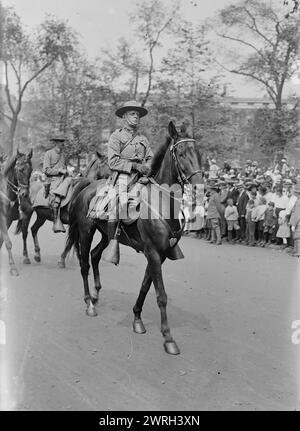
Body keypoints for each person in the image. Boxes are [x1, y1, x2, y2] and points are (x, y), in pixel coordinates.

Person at [105, 100, 153, 262]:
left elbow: (150, 158)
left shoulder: (143, 139)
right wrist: (134, 165)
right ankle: (113, 241)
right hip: (123, 177)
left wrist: (147, 166)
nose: (136, 117)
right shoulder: (116, 136)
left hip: (142, 177)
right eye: (133, 114)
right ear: (125, 116)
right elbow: (112, 162)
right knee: (117, 205)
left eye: (138, 115)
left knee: (161, 198)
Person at [43, 135, 72, 233]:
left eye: (63, 141)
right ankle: (56, 221)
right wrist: (59, 171)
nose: (62, 143)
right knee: (55, 199)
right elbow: (46, 170)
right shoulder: (48, 153)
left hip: (64, 179)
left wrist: (68, 172)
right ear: (55, 143)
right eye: (60, 141)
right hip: (53, 180)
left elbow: (65, 168)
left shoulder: (64, 155)